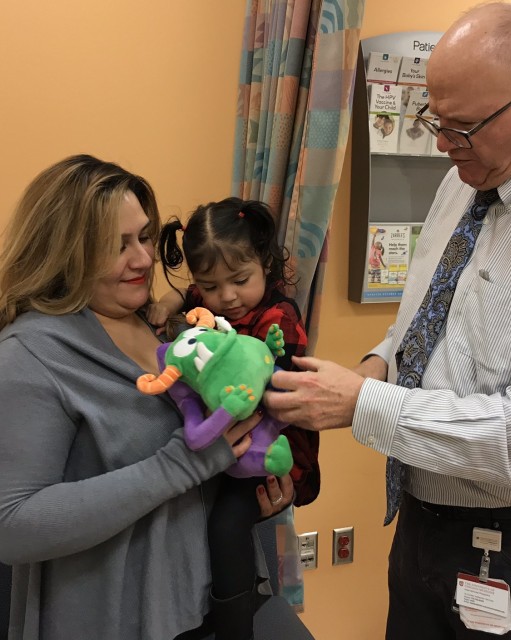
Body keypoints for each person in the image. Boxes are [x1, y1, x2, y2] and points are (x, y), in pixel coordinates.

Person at [263, 3, 511, 639]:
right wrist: (375, 367)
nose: (442, 144)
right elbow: (421, 327)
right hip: (424, 524)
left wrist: (363, 403)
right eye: (435, 120)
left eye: (462, 126)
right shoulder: (464, 182)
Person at [0, 154, 293, 640]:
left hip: (216, 605)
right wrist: (184, 464)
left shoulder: (168, 329)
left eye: (143, 236)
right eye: (116, 246)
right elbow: (14, 525)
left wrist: (253, 485)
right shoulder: (30, 356)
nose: (142, 259)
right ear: (64, 251)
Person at [147, 198, 320, 637]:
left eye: (240, 280)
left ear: (265, 263)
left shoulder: (278, 316)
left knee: (227, 526)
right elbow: (184, 297)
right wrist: (167, 302)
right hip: (229, 446)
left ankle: (236, 628)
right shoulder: (208, 301)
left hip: (275, 450)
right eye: (209, 285)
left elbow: (277, 393)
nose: (226, 297)